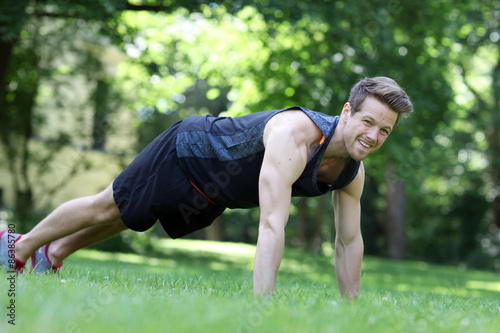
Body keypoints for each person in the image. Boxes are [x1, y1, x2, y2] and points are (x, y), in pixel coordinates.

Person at [0, 76, 412, 300]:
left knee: (132, 217)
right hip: (187, 152)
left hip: (215, 191)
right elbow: (272, 225)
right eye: (367, 122)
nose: (373, 136)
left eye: (384, 131)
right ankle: (16, 247)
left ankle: (52, 254)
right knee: (109, 205)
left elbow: (348, 242)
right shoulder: (295, 135)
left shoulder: (351, 173)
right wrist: (262, 306)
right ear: (346, 111)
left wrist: (351, 311)